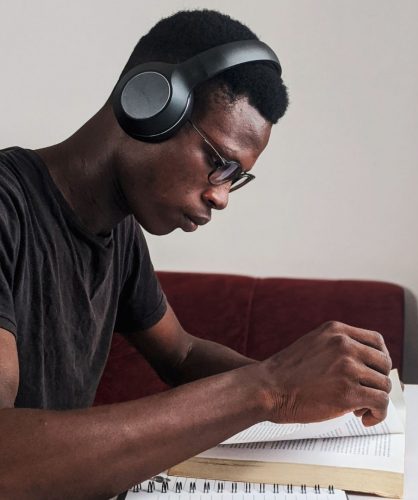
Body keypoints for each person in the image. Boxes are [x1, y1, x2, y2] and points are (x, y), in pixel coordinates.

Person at [0, 9, 392, 499]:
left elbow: (181, 354)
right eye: (219, 163)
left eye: (236, 178)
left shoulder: (119, 234)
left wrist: (306, 388)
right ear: (147, 102)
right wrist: (270, 387)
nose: (221, 197)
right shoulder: (7, 208)